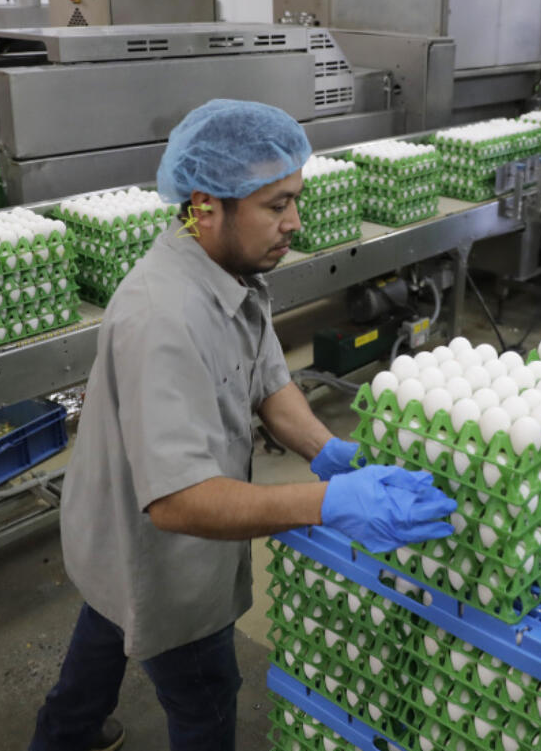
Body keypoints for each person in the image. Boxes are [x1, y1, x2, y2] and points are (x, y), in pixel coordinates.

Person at [29, 100, 456, 751]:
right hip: (161, 559)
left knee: (103, 632)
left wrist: (327, 448)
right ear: (205, 204)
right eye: (275, 205)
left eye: (295, 200)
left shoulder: (229, 269)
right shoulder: (164, 317)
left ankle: (62, 736)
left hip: (114, 540)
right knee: (203, 696)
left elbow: (267, 381)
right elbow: (178, 501)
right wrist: (327, 503)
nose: (295, 223)